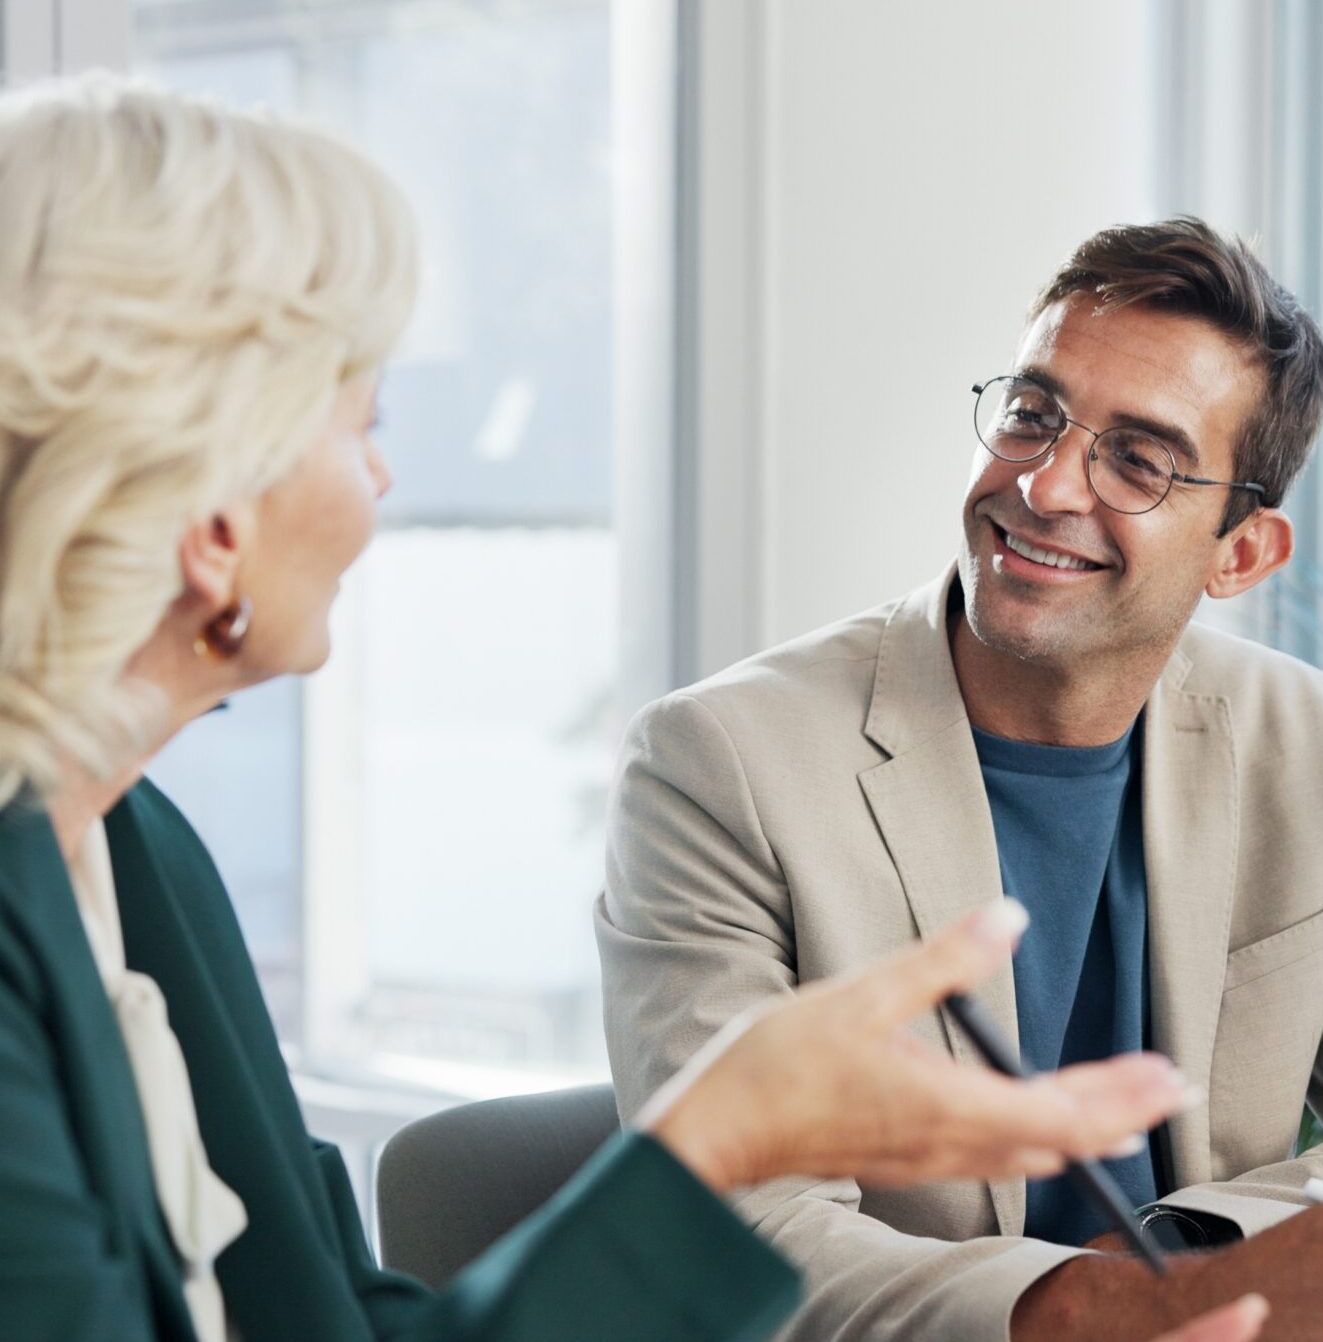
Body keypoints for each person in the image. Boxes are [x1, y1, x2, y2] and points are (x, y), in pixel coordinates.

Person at [0, 75, 1224, 1342]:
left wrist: (728, 1128)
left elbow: (342, 1327)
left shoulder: (141, 856)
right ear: (211, 517)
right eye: (361, 417)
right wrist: (719, 1140)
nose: (381, 474)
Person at [597, 215, 1323, 1340]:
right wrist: (1091, 1310)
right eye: (1033, 414)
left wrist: (1187, 1258)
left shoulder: (1317, 738)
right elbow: (733, 1233)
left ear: (1240, 556)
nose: (1046, 486)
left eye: (1137, 460)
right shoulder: (719, 766)